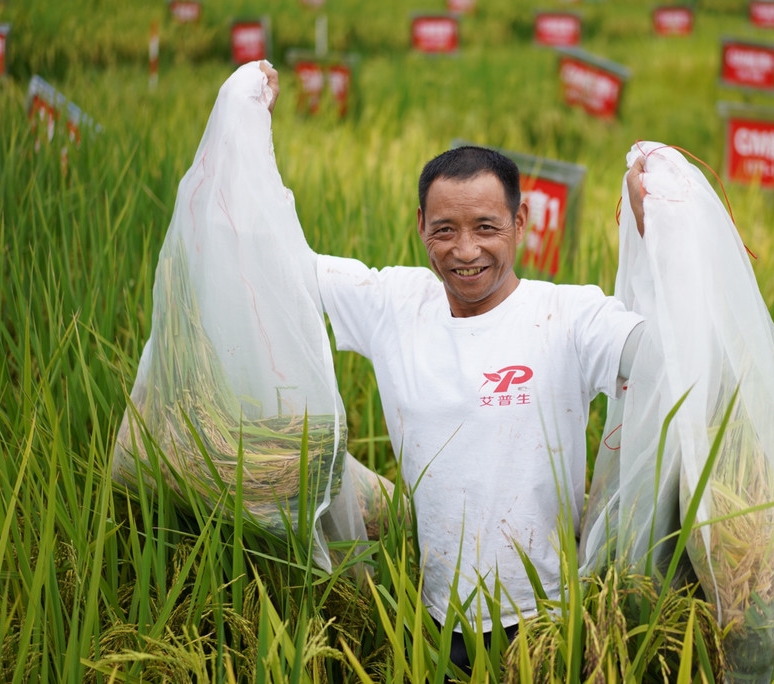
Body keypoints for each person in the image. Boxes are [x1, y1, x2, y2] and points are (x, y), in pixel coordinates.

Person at [258, 64, 650, 670]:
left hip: (547, 620)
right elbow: (277, 262)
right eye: (445, 230)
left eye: (486, 227)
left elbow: (660, 356)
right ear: (421, 228)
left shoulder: (569, 315)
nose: (465, 251)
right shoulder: (394, 304)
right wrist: (248, 126)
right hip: (438, 620)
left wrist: (663, 238)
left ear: (521, 225)